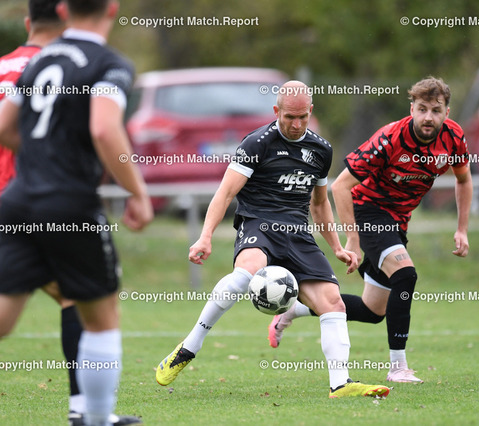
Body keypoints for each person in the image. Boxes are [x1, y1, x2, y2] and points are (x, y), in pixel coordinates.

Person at [0, 0, 153, 425]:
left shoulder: (36, 60)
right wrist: (137, 192)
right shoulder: (108, 63)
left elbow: (2, 128)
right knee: (99, 314)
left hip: (13, 200)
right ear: (112, 8)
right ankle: (92, 417)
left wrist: (42, 156)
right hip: (65, 203)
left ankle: (89, 414)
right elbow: (104, 128)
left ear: (65, 10)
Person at [155, 81, 390, 398]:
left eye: (303, 117)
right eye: (289, 117)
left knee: (333, 302)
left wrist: (336, 246)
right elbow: (225, 193)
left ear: (310, 112)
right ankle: (189, 347)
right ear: (276, 110)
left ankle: (340, 384)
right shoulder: (256, 143)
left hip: (298, 233)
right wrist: (205, 237)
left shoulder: (321, 149)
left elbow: (320, 203)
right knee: (246, 272)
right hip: (259, 224)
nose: (296, 124)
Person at [269, 77, 472, 384]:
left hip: (398, 221)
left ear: (447, 112)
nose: (428, 117)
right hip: (368, 211)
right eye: (422, 109)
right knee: (405, 274)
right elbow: (340, 186)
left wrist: (462, 229)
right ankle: (398, 367)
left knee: (373, 310)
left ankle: (295, 309)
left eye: (436, 110)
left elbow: (463, 179)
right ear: (412, 109)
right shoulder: (390, 138)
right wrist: (352, 238)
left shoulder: (453, 137)